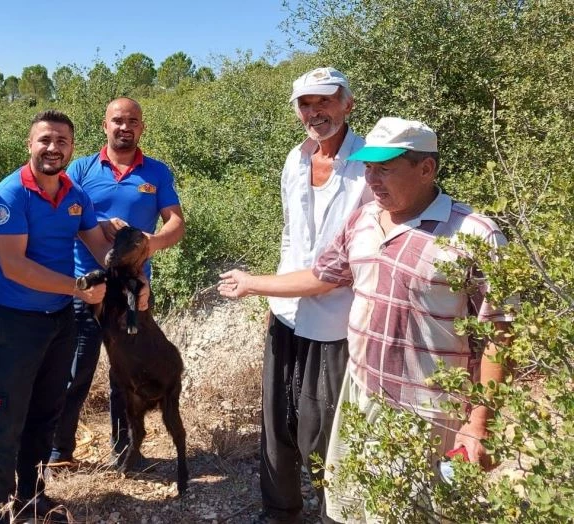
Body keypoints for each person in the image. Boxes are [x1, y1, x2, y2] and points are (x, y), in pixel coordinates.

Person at [219, 117, 512, 523]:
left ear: (426, 169)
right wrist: (253, 284)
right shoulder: (363, 221)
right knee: (352, 510)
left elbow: (500, 333)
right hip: (360, 396)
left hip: (430, 412)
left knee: (416, 515)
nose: (372, 180)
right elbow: (322, 277)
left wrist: (479, 424)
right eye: (369, 168)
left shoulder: (475, 234)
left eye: (385, 169)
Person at [215, 67, 370, 523]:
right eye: (305, 103)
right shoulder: (295, 159)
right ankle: (280, 511)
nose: (315, 112)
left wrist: (255, 284)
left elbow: (341, 271)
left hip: (337, 322)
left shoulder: (369, 165)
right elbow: (290, 236)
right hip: (287, 313)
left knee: (325, 431)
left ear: (347, 104)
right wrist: (275, 302)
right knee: (276, 420)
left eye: (325, 101)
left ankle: (335, 513)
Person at [0, 110, 118, 524]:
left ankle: (32, 497)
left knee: (44, 413)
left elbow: (100, 248)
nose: (53, 148)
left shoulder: (75, 195)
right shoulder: (9, 195)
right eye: (45, 140)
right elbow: (15, 266)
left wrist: (130, 268)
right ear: (30, 144)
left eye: (62, 141)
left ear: (72, 148)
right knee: (6, 418)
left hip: (60, 321)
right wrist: (77, 288)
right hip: (17, 323)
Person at [48, 97, 185, 467]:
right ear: (105, 125)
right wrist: (98, 225)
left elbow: (175, 222)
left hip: (132, 294)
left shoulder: (156, 172)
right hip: (85, 288)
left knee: (126, 376)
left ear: (142, 127)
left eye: (133, 121)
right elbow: (62, 216)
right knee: (75, 371)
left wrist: (152, 243)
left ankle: (126, 453)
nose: (125, 127)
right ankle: (59, 452)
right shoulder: (80, 169)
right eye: (118, 120)